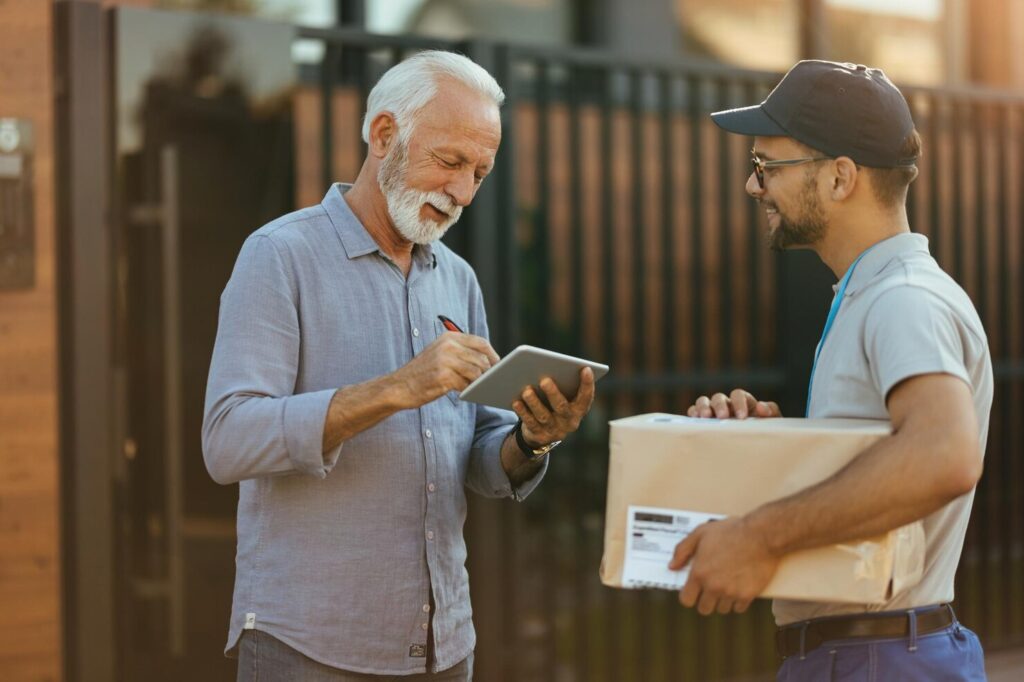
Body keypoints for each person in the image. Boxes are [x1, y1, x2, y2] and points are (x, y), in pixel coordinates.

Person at [202, 50, 596, 681]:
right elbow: (227, 441)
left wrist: (531, 438)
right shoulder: (278, 256)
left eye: (480, 172)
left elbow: (478, 456)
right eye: (450, 162)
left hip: (445, 648)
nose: (464, 191)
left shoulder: (459, 280)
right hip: (309, 647)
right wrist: (396, 389)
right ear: (384, 134)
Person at [670, 60, 992, 681]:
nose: (752, 186)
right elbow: (885, 456)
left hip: (877, 658)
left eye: (767, 166)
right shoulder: (871, 294)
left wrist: (758, 538)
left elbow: (944, 454)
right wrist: (774, 442)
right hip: (872, 653)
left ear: (841, 177)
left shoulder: (901, 298)